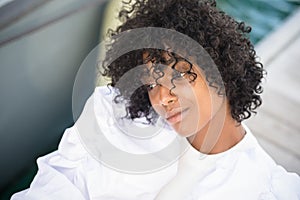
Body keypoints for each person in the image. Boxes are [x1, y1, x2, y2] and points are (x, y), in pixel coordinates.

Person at [12, 0, 300, 199]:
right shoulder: (113, 113)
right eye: (151, 84)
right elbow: (54, 187)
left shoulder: (267, 188)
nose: (161, 97)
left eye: (176, 76)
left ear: (222, 69)